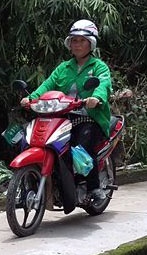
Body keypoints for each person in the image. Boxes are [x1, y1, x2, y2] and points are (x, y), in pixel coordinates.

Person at [21, 19, 113, 201]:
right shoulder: (63, 68)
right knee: (30, 139)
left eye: (82, 40)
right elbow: (47, 84)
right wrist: (30, 98)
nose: (77, 44)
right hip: (63, 118)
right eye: (74, 40)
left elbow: (104, 84)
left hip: (90, 118)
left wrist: (96, 98)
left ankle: (93, 187)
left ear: (91, 43)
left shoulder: (99, 67)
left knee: (81, 146)